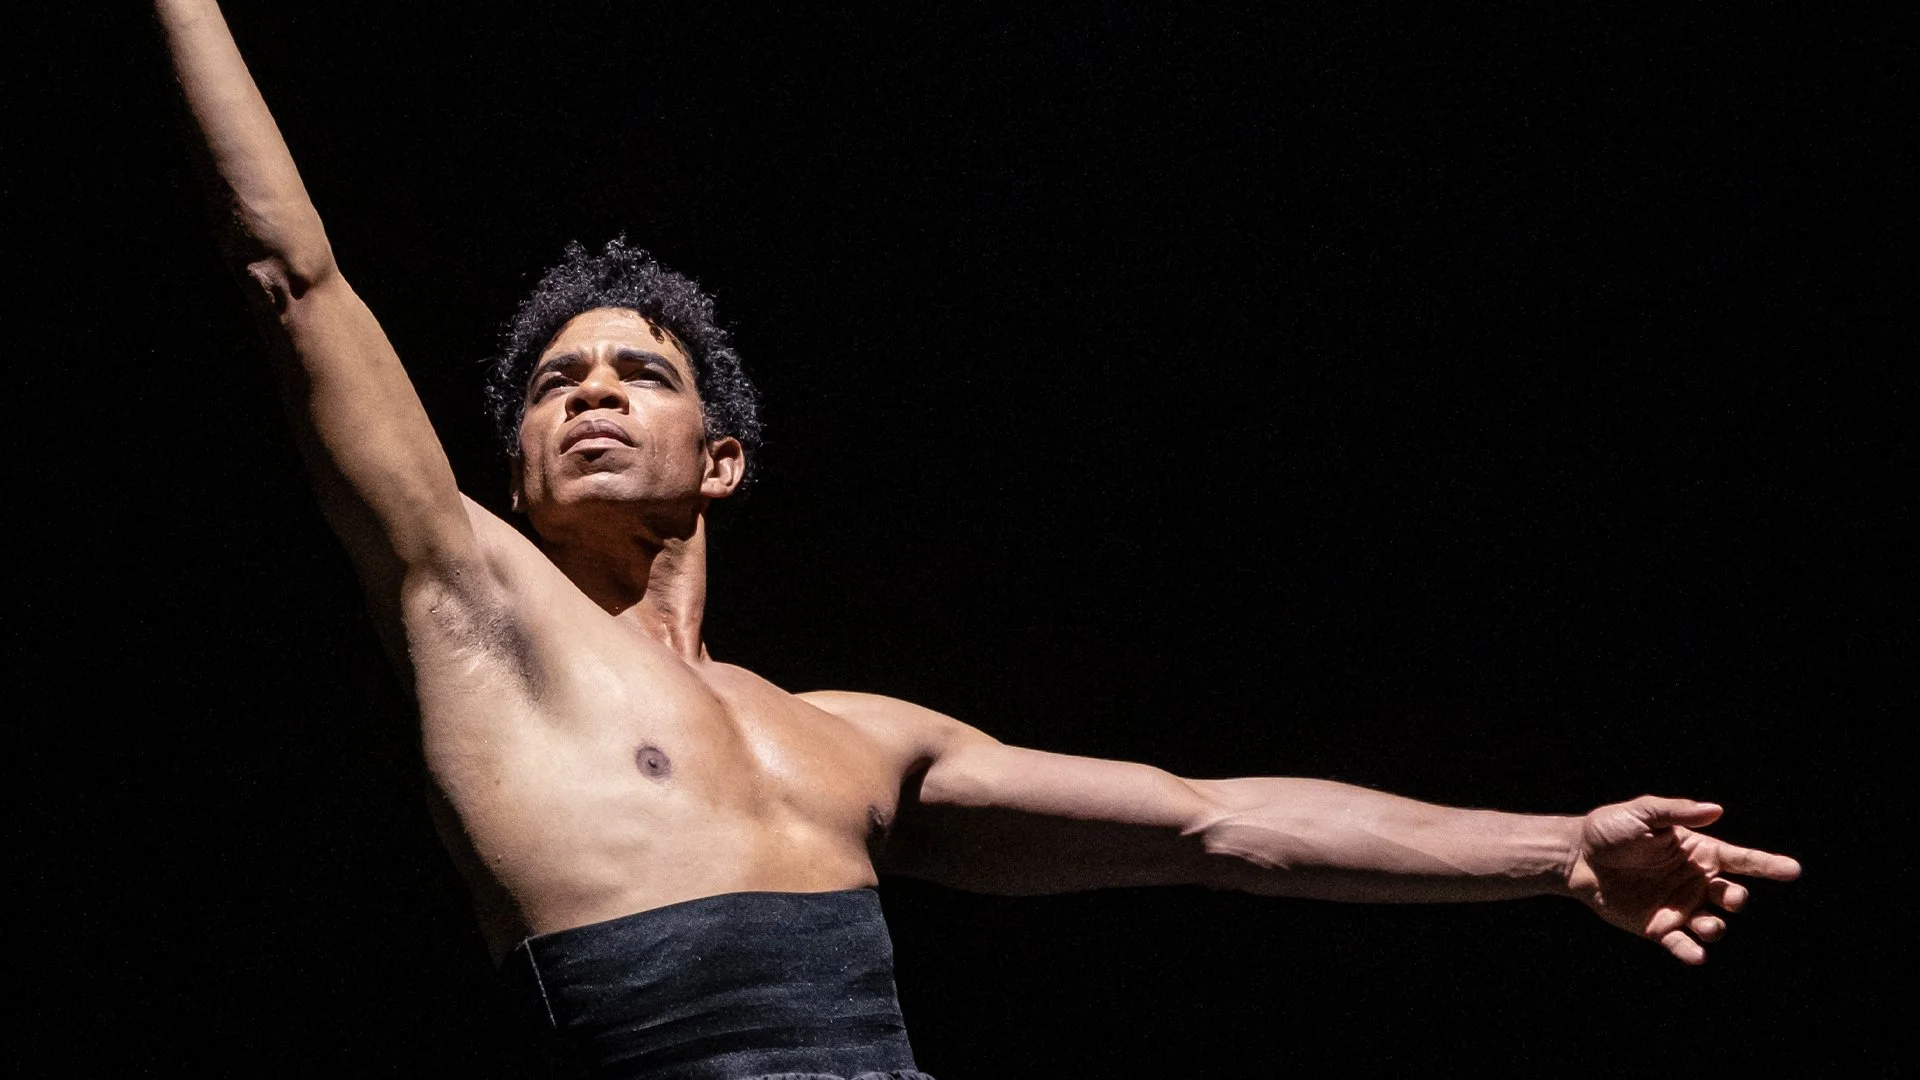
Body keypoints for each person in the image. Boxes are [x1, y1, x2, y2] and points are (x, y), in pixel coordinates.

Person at [157, 2, 1802, 1077]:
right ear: (511, 470)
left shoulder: (857, 740)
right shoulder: (474, 602)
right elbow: (289, 273)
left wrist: (1556, 851)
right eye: (551, 385)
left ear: (720, 462)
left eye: (635, 374)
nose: (587, 392)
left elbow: (1214, 822)